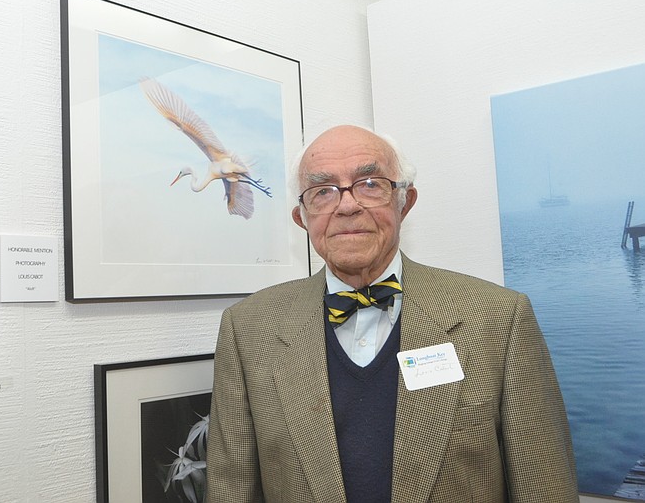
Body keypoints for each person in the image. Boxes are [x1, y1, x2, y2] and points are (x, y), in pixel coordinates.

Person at [205, 125, 578, 502]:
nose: (347, 206)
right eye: (323, 191)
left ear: (405, 202)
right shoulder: (247, 331)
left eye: (370, 184)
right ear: (302, 218)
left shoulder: (499, 319)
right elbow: (230, 490)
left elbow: (544, 486)